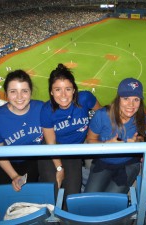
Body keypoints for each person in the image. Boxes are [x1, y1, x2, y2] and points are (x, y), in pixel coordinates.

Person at [39, 63, 101, 200]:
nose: (63, 95)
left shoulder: (85, 98)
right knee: (52, 189)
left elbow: (100, 112)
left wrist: (93, 132)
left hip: (74, 151)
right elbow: (51, 143)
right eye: (57, 89)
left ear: (74, 90)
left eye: (68, 89)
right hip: (52, 152)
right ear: (51, 91)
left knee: (72, 194)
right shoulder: (47, 110)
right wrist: (59, 168)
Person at [0, 70, 43, 215]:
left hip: (32, 160)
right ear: (6, 92)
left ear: (31, 91)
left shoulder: (42, 108)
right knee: (2, 201)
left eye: (24, 91)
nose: (19, 97)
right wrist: (14, 176)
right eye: (13, 91)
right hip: (5, 162)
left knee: (29, 200)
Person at [84, 77, 146, 193]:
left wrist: (138, 142)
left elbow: (141, 136)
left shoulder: (140, 116)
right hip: (103, 162)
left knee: (111, 199)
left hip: (129, 164)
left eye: (136, 99)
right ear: (118, 99)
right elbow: (90, 139)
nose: (131, 104)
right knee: (91, 197)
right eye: (126, 98)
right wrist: (106, 145)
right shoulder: (102, 115)